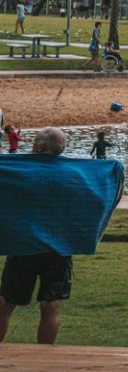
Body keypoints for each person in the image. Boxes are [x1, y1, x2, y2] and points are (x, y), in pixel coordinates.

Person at [0, 130, 74, 343]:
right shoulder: (72, 174)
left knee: (6, 302)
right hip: (59, 247)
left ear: (40, 147)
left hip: (24, 245)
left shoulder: (21, 172)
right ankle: (44, 359)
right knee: (51, 305)